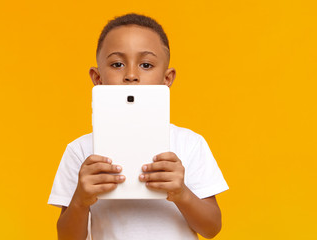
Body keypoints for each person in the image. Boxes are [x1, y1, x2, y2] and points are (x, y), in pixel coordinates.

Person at [48, 13, 229, 240]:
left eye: (146, 64)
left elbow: (212, 228)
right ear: (97, 78)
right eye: (117, 64)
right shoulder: (80, 150)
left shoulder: (189, 143)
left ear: (167, 79)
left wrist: (181, 193)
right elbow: (67, 238)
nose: (131, 75)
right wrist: (80, 200)